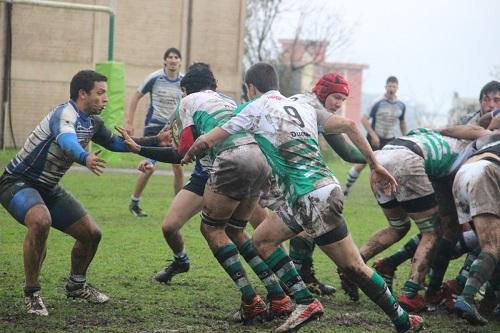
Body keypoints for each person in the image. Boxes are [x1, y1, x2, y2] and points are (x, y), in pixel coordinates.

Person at [182, 64, 423, 333]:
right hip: (315, 192)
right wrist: (375, 164)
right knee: (262, 240)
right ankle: (305, 300)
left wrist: (189, 152)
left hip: (312, 197)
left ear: (250, 87)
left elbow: (207, 140)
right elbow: (349, 125)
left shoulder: (252, 108)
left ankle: (399, 319)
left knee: (353, 265)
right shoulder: (301, 107)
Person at [0, 70, 168, 316]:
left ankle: (76, 286)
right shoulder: (64, 114)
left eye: (106, 94)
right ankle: (32, 293)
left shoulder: (93, 122)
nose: (106, 99)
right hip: (17, 182)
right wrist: (84, 156)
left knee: (92, 234)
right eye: (100, 93)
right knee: (40, 220)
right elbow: (68, 141)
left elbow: (116, 144)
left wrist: (155, 140)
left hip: (48, 188)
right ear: (82, 94)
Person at [124, 47, 184, 217]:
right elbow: (136, 96)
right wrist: (129, 121)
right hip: (154, 127)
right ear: (165, 61)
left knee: (178, 167)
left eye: (176, 57)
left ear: (180, 62)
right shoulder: (154, 77)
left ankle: (179, 208)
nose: (173, 60)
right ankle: (134, 203)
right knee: (149, 166)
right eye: (170, 57)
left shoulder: (184, 81)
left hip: (174, 128)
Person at [344, 76, 407, 196]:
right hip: (374, 140)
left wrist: (405, 137)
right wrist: (373, 135)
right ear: (385, 87)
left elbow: (402, 122)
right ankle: (346, 188)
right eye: (389, 86)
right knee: (362, 164)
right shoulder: (377, 102)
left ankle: (387, 193)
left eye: (394, 86)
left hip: (390, 139)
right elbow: (364, 119)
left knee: (389, 166)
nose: (391, 89)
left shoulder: (401, 105)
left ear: (397, 88)